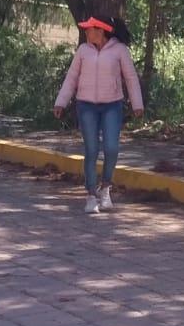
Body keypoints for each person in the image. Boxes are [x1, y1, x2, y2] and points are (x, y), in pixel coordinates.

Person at [53, 14, 144, 214]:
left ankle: (106, 188)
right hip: (86, 106)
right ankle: (91, 195)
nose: (86, 32)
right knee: (91, 150)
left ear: (100, 31)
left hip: (112, 105)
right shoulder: (83, 51)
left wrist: (137, 104)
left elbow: (131, 78)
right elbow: (71, 78)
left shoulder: (120, 51)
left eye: (89, 29)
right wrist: (61, 101)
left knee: (111, 148)